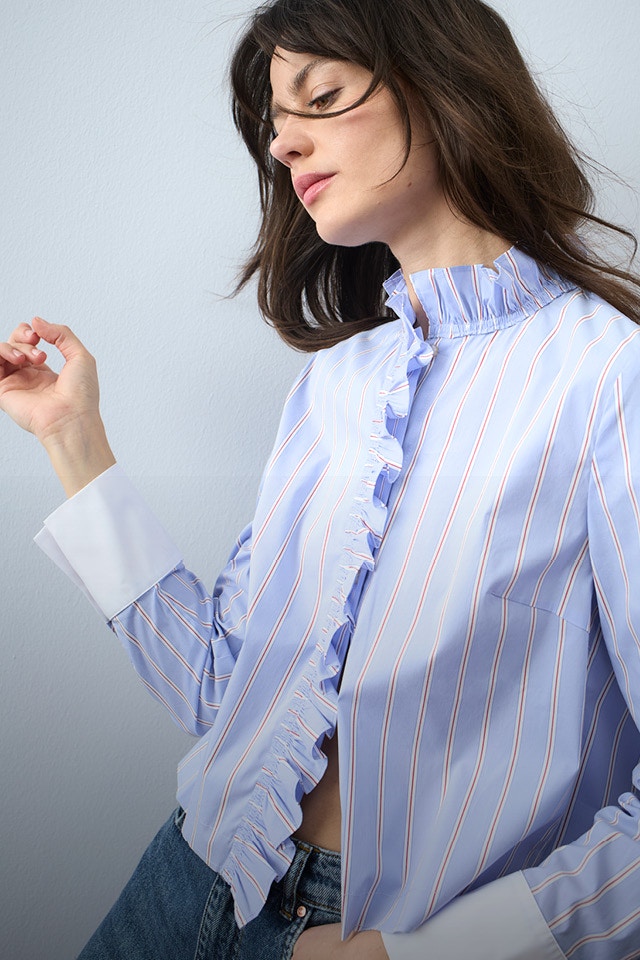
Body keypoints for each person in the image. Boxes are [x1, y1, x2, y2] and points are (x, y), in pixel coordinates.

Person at [1, 0, 640, 957]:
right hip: (190, 877)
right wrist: (72, 438)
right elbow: (221, 690)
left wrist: (424, 954)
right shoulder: (333, 384)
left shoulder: (611, 378)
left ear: (446, 86)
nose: (284, 144)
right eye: (274, 124)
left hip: (397, 932)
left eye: (323, 98)